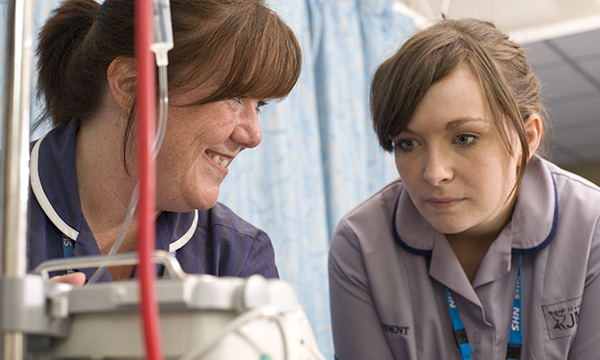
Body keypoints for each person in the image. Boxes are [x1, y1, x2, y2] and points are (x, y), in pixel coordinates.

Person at [328, 18, 600, 359]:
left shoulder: (591, 228)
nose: (434, 173)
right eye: (408, 144)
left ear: (527, 139)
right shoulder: (361, 244)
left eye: (464, 138)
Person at [28, 0, 301, 285]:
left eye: (259, 105)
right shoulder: (9, 206)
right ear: (131, 84)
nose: (254, 136)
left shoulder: (235, 257)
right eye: (233, 97)